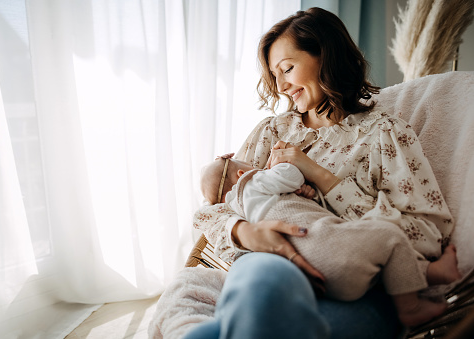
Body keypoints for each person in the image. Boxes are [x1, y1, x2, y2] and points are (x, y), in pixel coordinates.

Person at [186, 7, 459, 339]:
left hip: (359, 286)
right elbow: (210, 209)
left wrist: (323, 178)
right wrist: (245, 232)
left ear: (326, 58)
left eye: (287, 69)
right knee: (264, 295)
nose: (282, 85)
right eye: (275, 75)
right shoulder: (272, 132)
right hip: (270, 264)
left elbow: (426, 234)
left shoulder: (384, 134)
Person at [199, 153, 459, 326]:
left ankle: (432, 272)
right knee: (388, 236)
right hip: (329, 253)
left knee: (367, 246)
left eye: (287, 69)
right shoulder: (253, 180)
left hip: (317, 281)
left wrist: (304, 194)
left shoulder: (241, 206)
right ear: (239, 175)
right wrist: (286, 165)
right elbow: (289, 174)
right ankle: (410, 306)